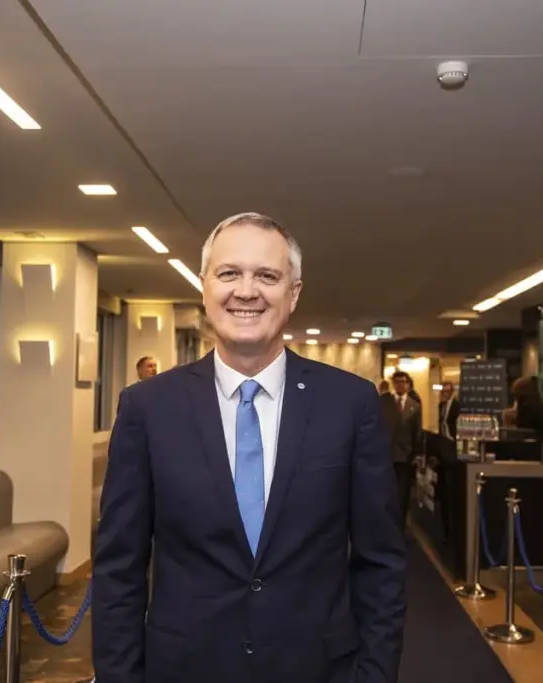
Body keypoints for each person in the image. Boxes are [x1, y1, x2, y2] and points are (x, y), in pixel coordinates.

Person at [93, 212, 407, 683]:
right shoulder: (148, 408)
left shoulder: (350, 404)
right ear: (204, 287)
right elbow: (119, 567)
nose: (246, 291)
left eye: (267, 276)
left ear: (293, 293)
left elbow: (381, 562)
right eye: (228, 273)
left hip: (319, 669)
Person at [380, 370, 424, 523]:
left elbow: (417, 432)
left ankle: (400, 522)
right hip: (386, 454)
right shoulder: (384, 403)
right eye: (397, 382)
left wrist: (418, 454)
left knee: (402, 492)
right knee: (386, 490)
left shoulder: (414, 406)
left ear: (408, 384)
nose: (400, 385)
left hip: (406, 456)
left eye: (403, 382)